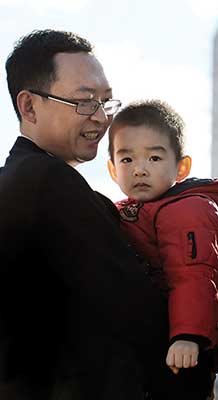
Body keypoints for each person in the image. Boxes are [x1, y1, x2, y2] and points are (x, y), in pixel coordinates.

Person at [0, 29, 174, 400]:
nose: (101, 118)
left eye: (106, 102)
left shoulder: (17, 181)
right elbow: (134, 310)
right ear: (29, 106)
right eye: (84, 102)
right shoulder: (46, 181)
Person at [107, 99, 218, 399]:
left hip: (184, 347)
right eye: (127, 160)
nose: (140, 169)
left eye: (154, 159)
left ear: (181, 167)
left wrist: (188, 335)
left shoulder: (188, 209)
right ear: (113, 169)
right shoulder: (137, 210)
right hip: (159, 339)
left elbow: (193, 276)